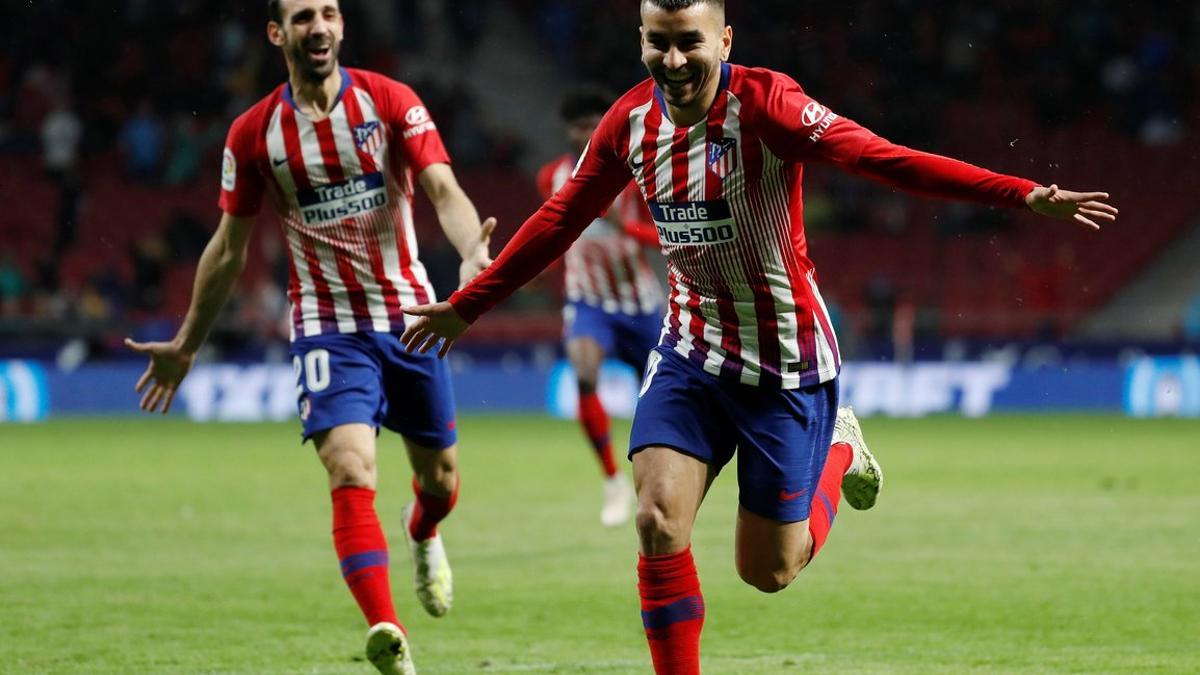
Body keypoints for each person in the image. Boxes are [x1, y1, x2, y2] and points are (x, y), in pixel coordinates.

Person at [400, 1, 1118, 672]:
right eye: (659, 42)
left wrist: (1018, 192)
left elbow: (881, 158)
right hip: (691, 352)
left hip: (786, 364)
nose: (675, 60)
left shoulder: (770, 106)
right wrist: (468, 305)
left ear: (724, 41)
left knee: (768, 570)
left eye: (690, 43)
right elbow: (561, 220)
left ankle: (840, 449)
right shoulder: (627, 123)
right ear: (641, 42)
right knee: (655, 518)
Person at [126, 2, 497, 673]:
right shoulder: (253, 133)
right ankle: (388, 631)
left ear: (343, 26)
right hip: (328, 330)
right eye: (301, 17)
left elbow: (443, 188)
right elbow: (228, 249)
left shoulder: (389, 100)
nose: (318, 26)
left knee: (440, 479)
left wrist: (472, 251)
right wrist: (185, 343)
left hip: (411, 322)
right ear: (278, 33)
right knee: (350, 467)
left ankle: (424, 529)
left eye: (328, 12)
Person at [537, 85, 662, 527]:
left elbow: (666, 238)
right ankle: (612, 481)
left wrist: (624, 226)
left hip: (640, 305)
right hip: (587, 302)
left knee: (658, 398)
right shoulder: (552, 177)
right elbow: (553, 234)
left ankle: (655, 481)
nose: (587, 131)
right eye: (579, 126)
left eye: (593, 123)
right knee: (584, 374)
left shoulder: (635, 174)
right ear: (569, 131)